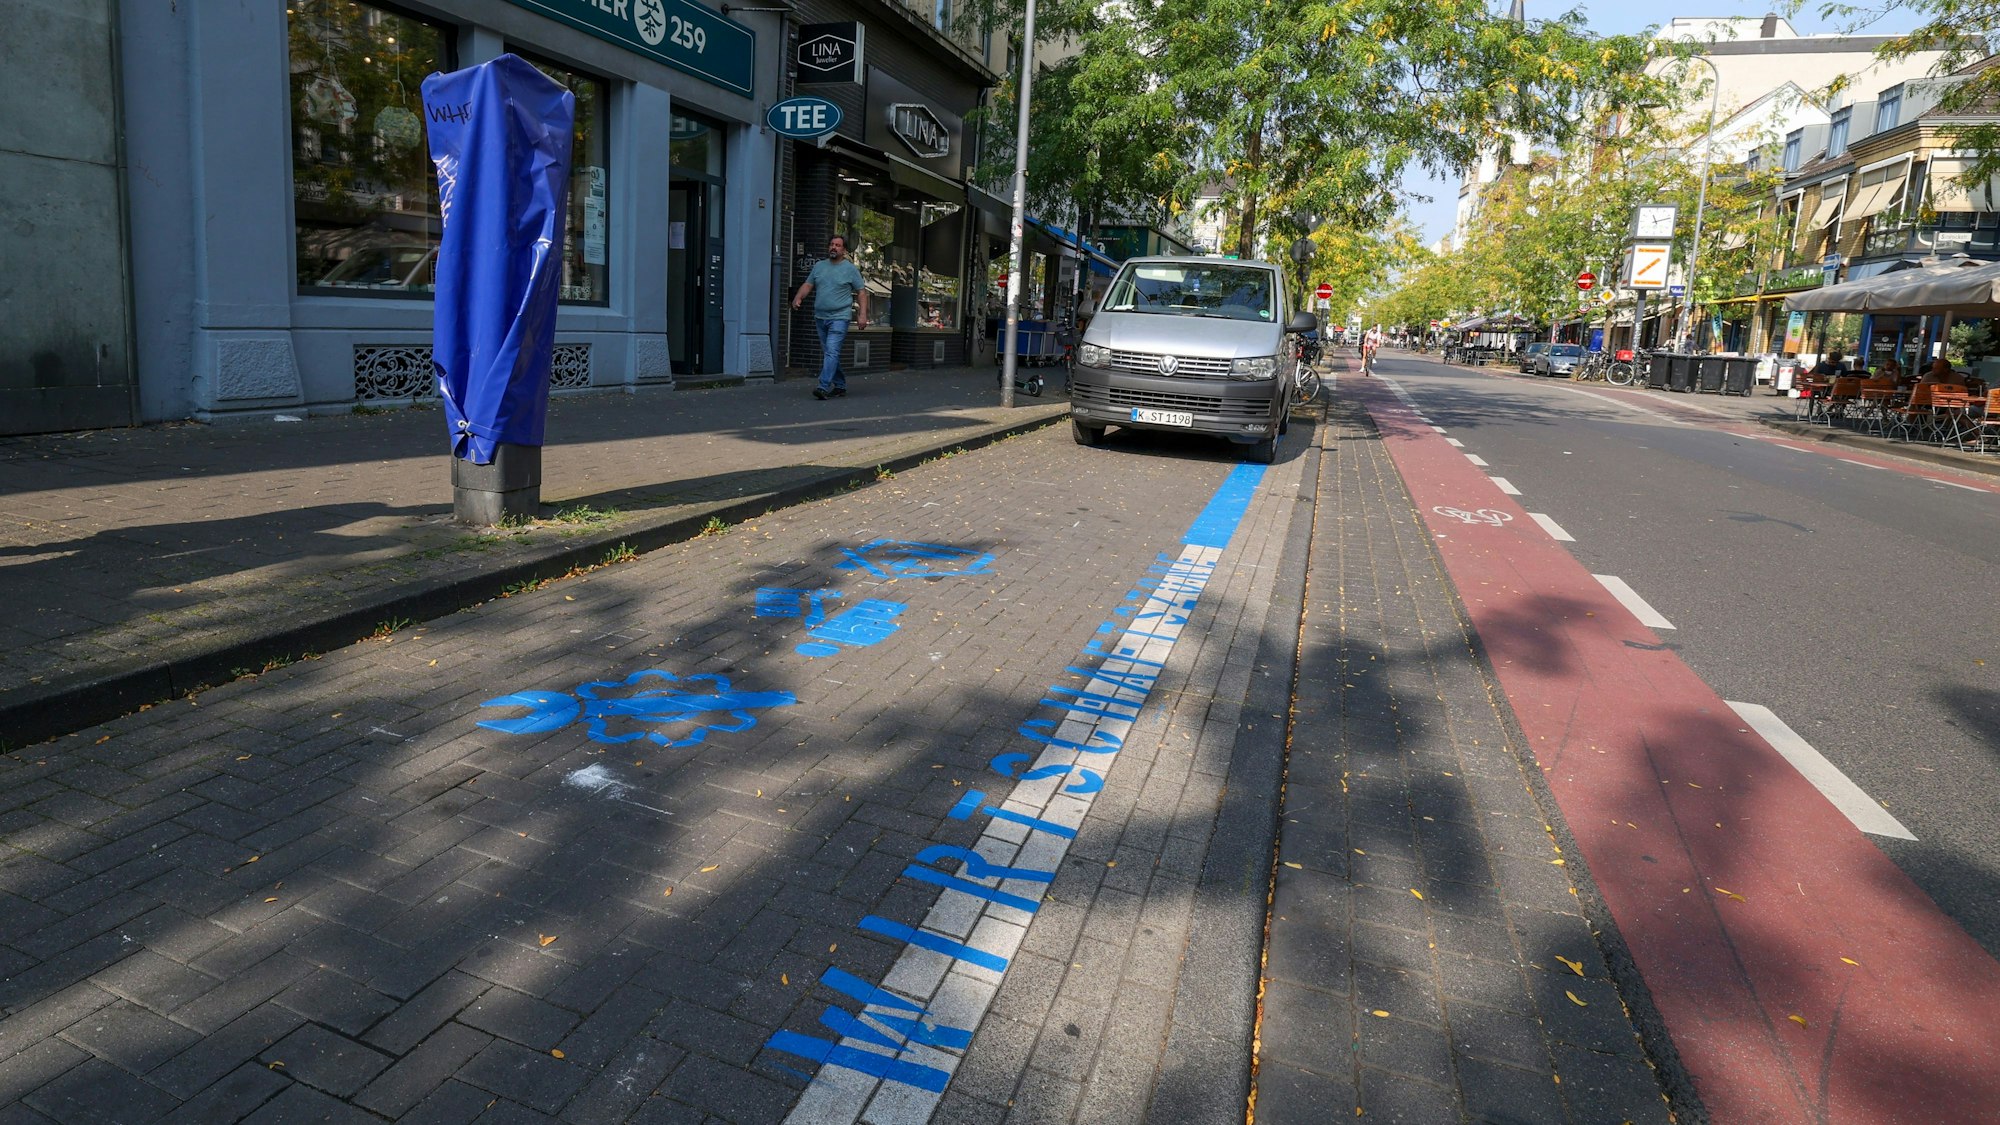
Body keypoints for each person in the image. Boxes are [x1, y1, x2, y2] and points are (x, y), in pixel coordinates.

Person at [792, 236, 870, 399]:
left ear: (844, 250)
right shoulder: (819, 266)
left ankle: (823, 386)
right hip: (820, 317)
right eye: (832, 245)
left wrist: (862, 315)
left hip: (840, 317)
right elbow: (808, 284)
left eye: (838, 245)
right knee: (830, 353)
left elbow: (861, 292)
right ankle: (840, 385)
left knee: (832, 351)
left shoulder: (850, 269)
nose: (834, 247)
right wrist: (799, 297)